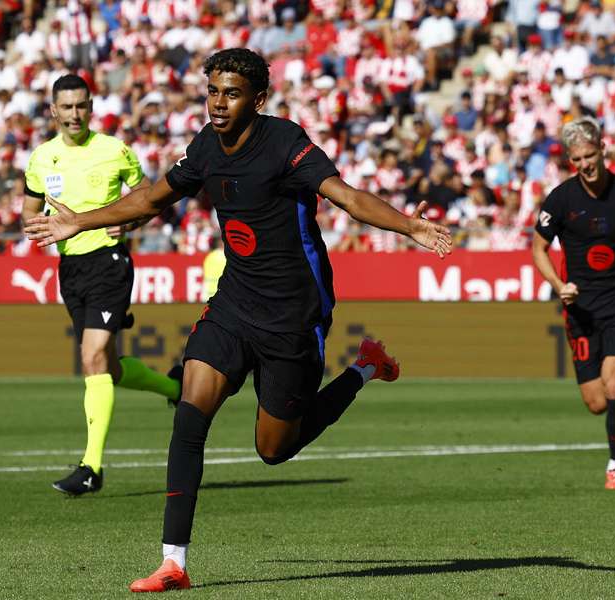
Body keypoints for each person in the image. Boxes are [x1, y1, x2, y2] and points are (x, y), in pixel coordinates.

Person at [24, 49, 452, 591]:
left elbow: (346, 197)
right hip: (234, 301)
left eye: (231, 93)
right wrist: (79, 222)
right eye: (212, 91)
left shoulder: (285, 142)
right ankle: (173, 563)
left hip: (293, 313)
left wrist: (408, 227)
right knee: (189, 413)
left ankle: (365, 368)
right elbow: (153, 197)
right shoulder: (206, 145)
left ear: (258, 99)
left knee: (275, 449)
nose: (218, 103)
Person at [22, 73, 182, 497]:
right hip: (70, 269)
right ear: (53, 110)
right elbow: (28, 211)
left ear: (90, 108)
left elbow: (150, 196)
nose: (75, 114)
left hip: (110, 263)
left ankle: (91, 467)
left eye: (82, 105)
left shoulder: (115, 151)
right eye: (67, 106)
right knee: (106, 366)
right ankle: (175, 387)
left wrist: (129, 222)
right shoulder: (41, 158)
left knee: (91, 357)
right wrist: (36, 225)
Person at [532, 117, 615, 491]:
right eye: (577, 160)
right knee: (596, 401)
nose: (585, 165)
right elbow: (537, 248)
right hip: (581, 310)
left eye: (590, 156)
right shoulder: (560, 199)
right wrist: (559, 285)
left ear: (603, 149)